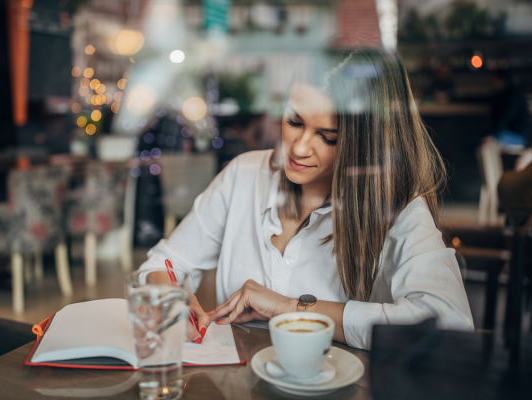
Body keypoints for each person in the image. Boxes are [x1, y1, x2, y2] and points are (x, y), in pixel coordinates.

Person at [139, 48, 474, 350]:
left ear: (365, 145)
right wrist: (169, 296)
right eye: (294, 121)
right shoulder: (244, 175)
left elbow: (449, 325)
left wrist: (291, 308)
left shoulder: (396, 205)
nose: (298, 148)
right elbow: (164, 264)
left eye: (328, 137)